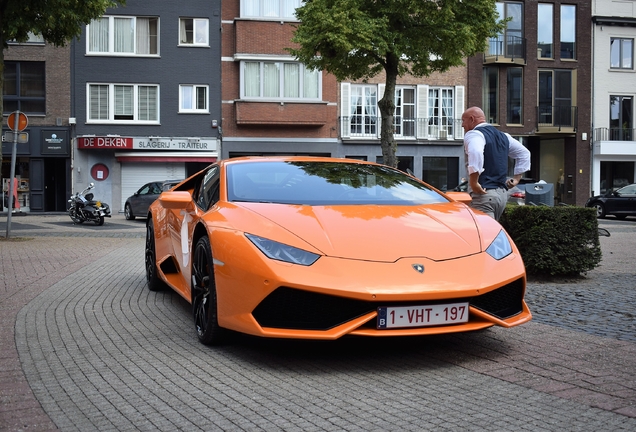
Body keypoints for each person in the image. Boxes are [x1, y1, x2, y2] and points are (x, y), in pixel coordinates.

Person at [462, 106, 530, 220]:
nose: (462, 125)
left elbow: (476, 151)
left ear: (472, 119)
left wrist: (474, 182)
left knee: (484, 235)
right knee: (492, 234)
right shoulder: (504, 136)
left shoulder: (474, 134)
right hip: (501, 196)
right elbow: (524, 153)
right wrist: (517, 179)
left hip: (484, 195)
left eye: (463, 120)